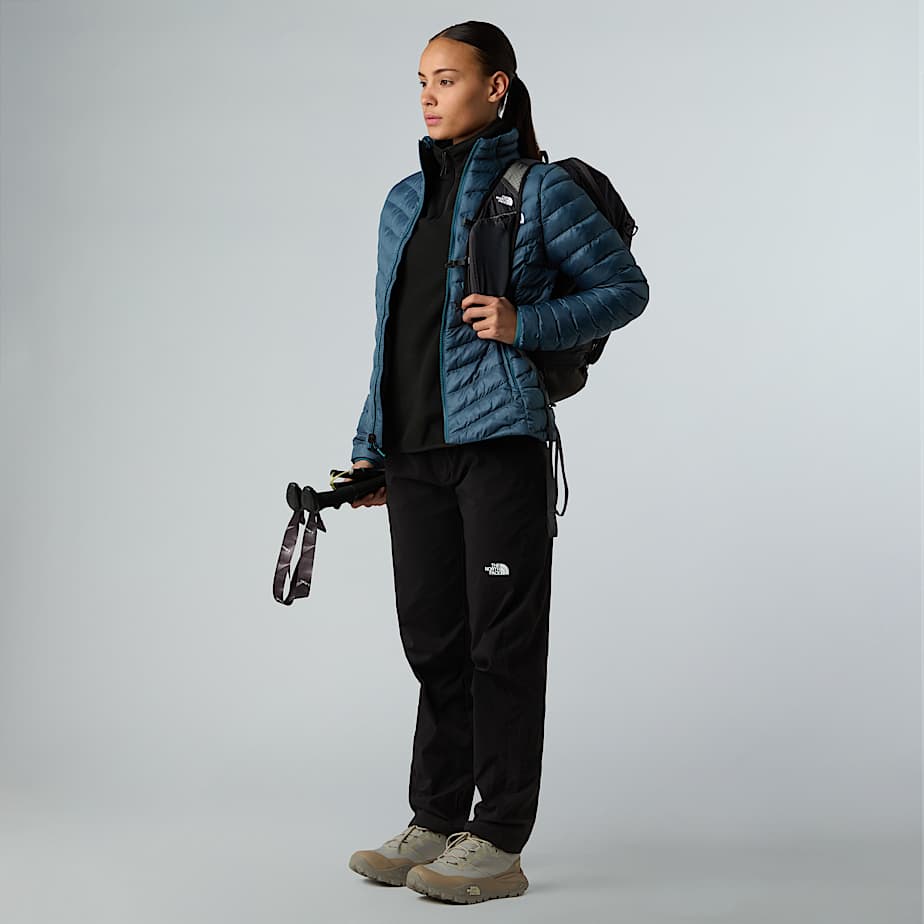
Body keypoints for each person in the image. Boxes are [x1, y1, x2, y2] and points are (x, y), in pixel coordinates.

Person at [344, 20, 649, 905]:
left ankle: (499, 837)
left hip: (498, 446)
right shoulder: (401, 202)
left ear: (497, 87)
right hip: (414, 453)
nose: (429, 96)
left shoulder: (541, 191)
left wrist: (526, 323)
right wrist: (370, 447)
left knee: (499, 646)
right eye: (422, 81)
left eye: (447, 79)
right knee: (433, 641)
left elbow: (624, 289)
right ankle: (436, 818)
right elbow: (391, 339)